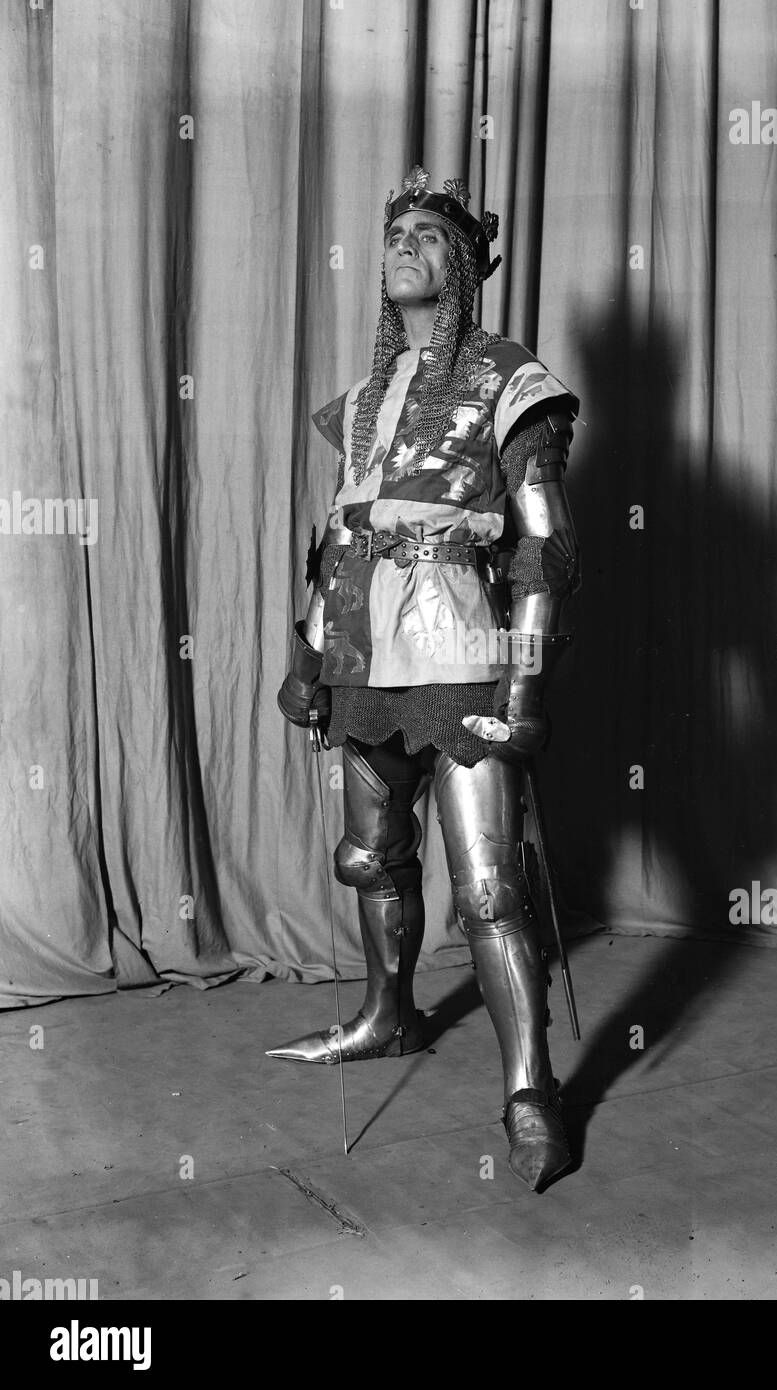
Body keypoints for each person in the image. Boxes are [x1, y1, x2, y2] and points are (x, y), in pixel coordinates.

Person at [268, 166, 580, 1192]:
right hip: (364, 649)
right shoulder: (364, 400)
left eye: (429, 234)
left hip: (457, 650)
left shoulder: (510, 380)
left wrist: (523, 697)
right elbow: (339, 542)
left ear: (468, 266)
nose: (404, 242)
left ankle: (531, 1090)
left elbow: (544, 548)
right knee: (369, 854)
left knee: (489, 886)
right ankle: (386, 1014)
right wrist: (311, 662)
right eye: (394, 229)